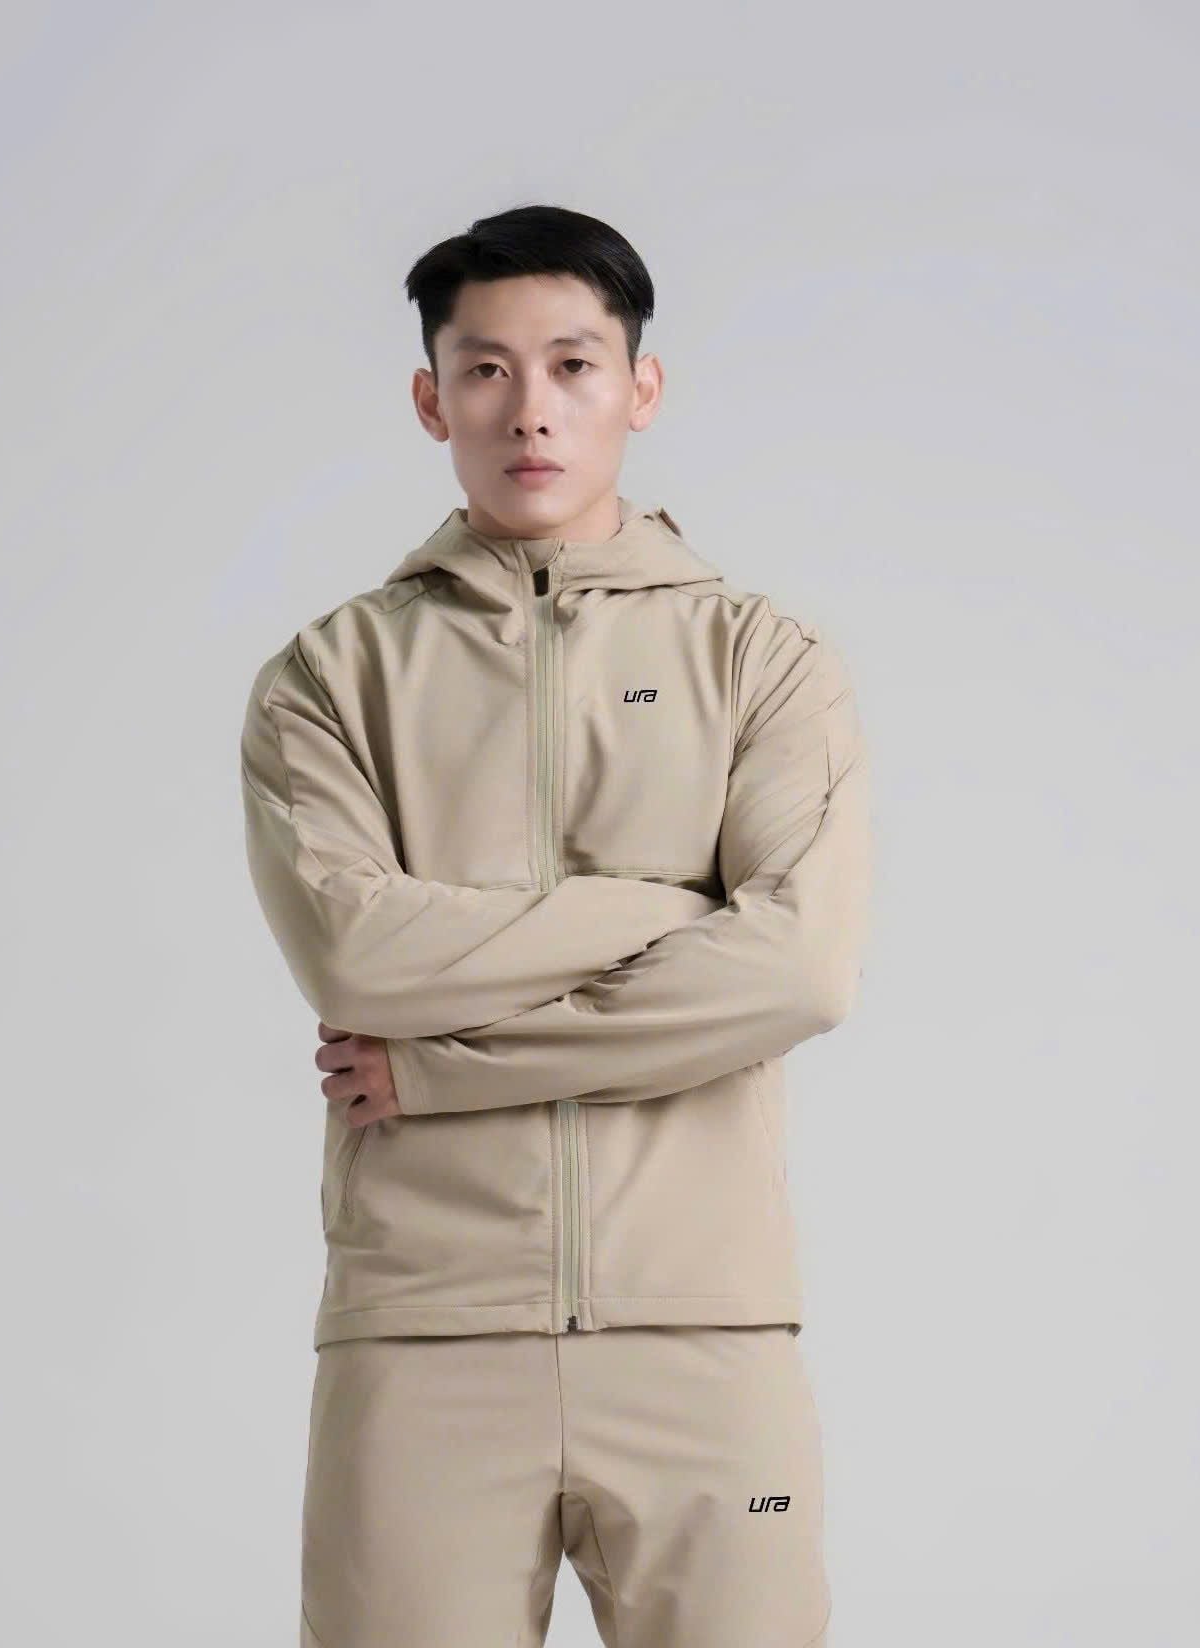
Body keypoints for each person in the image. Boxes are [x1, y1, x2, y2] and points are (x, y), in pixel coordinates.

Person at [239, 202, 872, 1648]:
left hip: (704, 1338)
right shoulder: (331, 677)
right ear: (432, 398)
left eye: (574, 365)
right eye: (486, 369)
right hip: (423, 1338)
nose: (531, 409)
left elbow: (797, 972)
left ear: (640, 388)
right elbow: (356, 953)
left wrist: (440, 1069)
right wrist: (659, 908)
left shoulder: (762, 661)